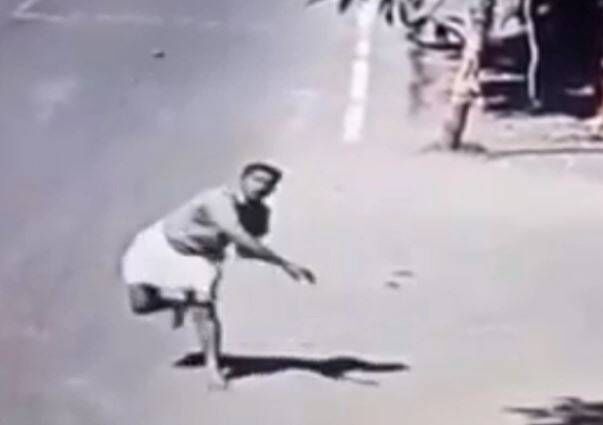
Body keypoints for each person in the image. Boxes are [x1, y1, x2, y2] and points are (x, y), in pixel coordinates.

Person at [120, 162, 315, 389]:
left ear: (273, 190)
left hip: (201, 257)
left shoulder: (260, 215)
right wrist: (283, 263)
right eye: (257, 180)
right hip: (159, 245)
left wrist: (264, 257)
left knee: (204, 310)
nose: (261, 187)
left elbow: (244, 249)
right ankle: (180, 302)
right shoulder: (218, 199)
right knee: (141, 305)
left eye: (268, 184)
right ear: (243, 180)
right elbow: (236, 234)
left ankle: (213, 366)